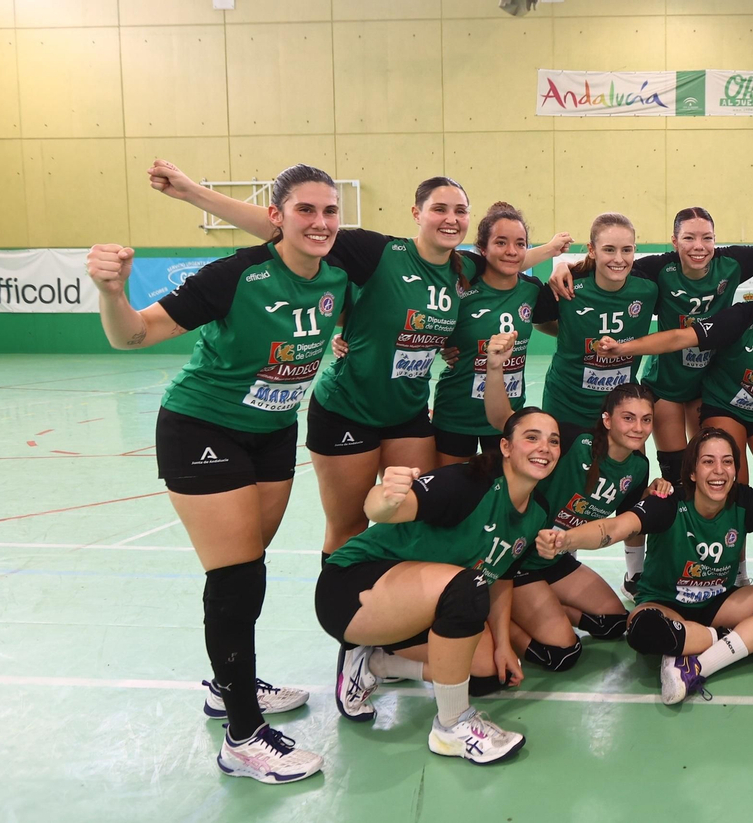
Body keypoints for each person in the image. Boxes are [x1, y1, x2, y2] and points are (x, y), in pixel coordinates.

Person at [146, 159, 566, 555]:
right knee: (349, 526)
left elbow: (508, 259)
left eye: (460, 210)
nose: (450, 218)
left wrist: (562, 260)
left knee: (418, 516)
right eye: (439, 208)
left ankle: (397, 616)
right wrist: (192, 193)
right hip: (347, 409)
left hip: (408, 412)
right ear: (417, 213)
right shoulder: (376, 251)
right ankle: (348, 624)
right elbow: (291, 231)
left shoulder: (465, 267)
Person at [83, 164, 346, 783]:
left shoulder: (340, 272)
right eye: (305, 210)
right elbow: (135, 335)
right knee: (235, 578)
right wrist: (111, 294)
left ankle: (229, 682)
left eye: (330, 211)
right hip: (202, 429)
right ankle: (243, 735)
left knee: (250, 568)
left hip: (274, 432)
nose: (321, 222)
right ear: (277, 217)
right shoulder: (235, 275)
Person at [313, 408, 560, 765]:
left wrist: (504, 644)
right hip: (352, 589)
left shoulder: (537, 510)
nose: (545, 447)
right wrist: (384, 495)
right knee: (467, 586)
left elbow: (501, 575)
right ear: (506, 447)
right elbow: (386, 511)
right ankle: (452, 726)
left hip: (422, 600)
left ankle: (376, 664)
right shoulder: (467, 483)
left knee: (486, 673)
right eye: (532, 437)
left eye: (553, 440)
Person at [545, 196, 753, 484]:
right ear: (674, 241)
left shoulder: (731, 263)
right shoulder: (657, 269)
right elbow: (610, 265)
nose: (699, 246)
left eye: (707, 238)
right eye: (689, 238)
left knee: (706, 467)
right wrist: (565, 268)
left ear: (714, 240)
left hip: (707, 385)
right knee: (675, 472)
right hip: (667, 383)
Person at [533, 428, 753, 704]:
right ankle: (746, 639)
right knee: (643, 630)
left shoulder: (745, 501)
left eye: (727, 462)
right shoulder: (668, 504)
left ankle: (696, 658)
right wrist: (566, 539)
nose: (719, 470)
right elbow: (616, 527)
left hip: (721, 603)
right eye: (708, 461)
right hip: (666, 604)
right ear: (692, 472)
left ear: (735, 470)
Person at [484, 360, 666, 641]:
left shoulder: (638, 467)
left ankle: (538, 605)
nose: (638, 428)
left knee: (616, 623)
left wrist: (649, 492)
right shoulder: (570, 441)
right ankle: (495, 608)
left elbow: (626, 522)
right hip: (515, 558)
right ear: (607, 420)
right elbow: (504, 421)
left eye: (646, 419)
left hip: (553, 559)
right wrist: (495, 368)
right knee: (562, 651)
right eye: (628, 418)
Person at [594, 257, 753, 491]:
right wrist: (623, 348)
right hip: (725, 407)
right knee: (733, 489)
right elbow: (679, 337)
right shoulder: (739, 319)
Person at [431, 202, 563, 465]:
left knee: (502, 494)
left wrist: (563, 267)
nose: (511, 251)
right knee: (453, 496)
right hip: (458, 413)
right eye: (501, 243)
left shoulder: (533, 290)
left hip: (507, 416)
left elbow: (557, 325)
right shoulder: (462, 289)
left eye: (520, 244)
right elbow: (427, 323)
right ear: (483, 249)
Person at [536, 213, 658, 451]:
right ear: (592, 250)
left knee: (625, 477)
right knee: (559, 479)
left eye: (627, 250)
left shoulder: (649, 288)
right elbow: (540, 321)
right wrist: (572, 334)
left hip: (620, 406)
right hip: (566, 403)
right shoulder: (568, 285)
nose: (619, 259)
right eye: (609, 250)